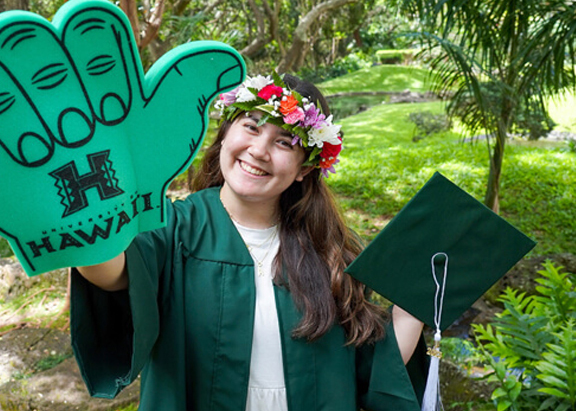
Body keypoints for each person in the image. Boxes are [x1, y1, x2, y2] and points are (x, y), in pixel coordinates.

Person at [70, 73, 428, 411]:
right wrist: (78, 226)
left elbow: (373, 365)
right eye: (251, 127)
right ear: (225, 133)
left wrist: (420, 302)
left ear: (305, 168)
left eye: (284, 143)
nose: (259, 150)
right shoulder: (172, 227)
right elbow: (113, 275)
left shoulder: (331, 254)